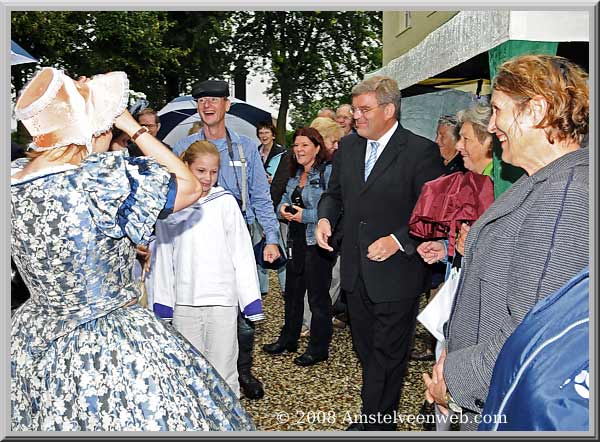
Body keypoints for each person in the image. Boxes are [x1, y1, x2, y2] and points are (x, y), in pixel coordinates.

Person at [10, 67, 254, 431]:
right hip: (107, 338)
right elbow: (187, 186)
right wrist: (133, 127)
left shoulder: (13, 179)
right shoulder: (97, 179)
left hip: (33, 333)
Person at [423, 54, 589, 430]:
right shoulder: (544, 182)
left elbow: (529, 339)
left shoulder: (566, 196)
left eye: (498, 110)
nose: (493, 125)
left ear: (535, 110)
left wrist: (452, 380)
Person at [315, 75, 445, 431]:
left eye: (364, 109)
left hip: (397, 274)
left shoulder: (421, 152)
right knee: (367, 350)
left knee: (388, 354)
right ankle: (378, 416)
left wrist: (399, 240)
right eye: (355, 108)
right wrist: (325, 218)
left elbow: (431, 215)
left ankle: (375, 424)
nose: (356, 116)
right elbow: (334, 194)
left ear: (388, 110)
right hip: (357, 273)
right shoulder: (350, 148)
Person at [173, 79, 281, 400]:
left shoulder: (246, 147)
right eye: (202, 100)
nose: (208, 105)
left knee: (242, 310)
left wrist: (272, 237)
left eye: (214, 100)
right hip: (196, 238)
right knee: (197, 310)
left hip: (239, 235)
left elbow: (261, 196)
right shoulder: (183, 150)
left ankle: (241, 370)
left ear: (226, 105)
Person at [152, 140, 264, 398]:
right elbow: (164, 256)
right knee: (189, 366)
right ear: (186, 167)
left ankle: (228, 419)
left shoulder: (225, 202)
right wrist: (163, 302)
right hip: (185, 301)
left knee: (224, 364)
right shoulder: (171, 207)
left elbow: (241, 251)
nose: (207, 178)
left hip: (221, 300)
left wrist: (249, 299)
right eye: (200, 171)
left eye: (213, 172)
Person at [416, 103, 494, 430]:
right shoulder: (472, 180)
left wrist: (467, 246)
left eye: (464, 138)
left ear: (488, 140)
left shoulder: (500, 188)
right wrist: (446, 249)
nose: (458, 146)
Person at [263, 127, 334, 366]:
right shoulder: (294, 174)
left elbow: (332, 210)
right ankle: (289, 338)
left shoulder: (327, 172)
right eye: (296, 145)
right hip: (295, 240)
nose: (299, 150)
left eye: (304, 145)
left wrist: (305, 216)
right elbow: (283, 198)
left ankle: (318, 346)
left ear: (317, 147)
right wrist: (282, 210)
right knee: (292, 293)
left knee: (317, 297)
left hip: (317, 242)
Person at [301, 117, 346, 335]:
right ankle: (312, 322)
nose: (337, 146)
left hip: (331, 234)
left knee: (331, 280)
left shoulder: (333, 166)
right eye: (333, 141)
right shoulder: (313, 169)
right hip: (317, 235)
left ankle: (317, 320)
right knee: (318, 284)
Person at [254, 121, 288, 297]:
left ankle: (285, 286)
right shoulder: (254, 153)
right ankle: (261, 288)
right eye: (261, 132)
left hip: (275, 204)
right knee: (258, 245)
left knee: (278, 244)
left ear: (273, 135)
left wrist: (271, 181)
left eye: (266, 132)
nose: (263, 135)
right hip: (258, 205)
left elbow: (282, 180)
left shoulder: (282, 154)